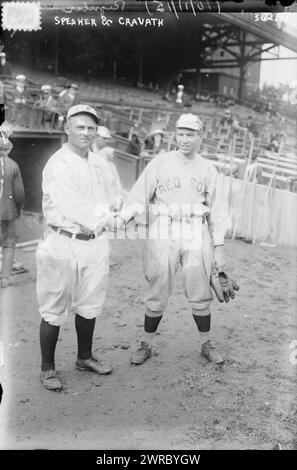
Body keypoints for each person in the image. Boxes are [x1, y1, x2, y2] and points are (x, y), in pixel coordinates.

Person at [120, 113, 230, 366]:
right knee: (158, 285)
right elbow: (139, 195)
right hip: (164, 227)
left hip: (195, 227)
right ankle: (146, 344)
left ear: (201, 136)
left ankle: (206, 343)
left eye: (190, 134)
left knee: (200, 286)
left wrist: (219, 248)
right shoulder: (160, 162)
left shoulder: (208, 169)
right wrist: (128, 216)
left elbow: (219, 210)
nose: (184, 139)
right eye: (181, 133)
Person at [36, 104, 121, 392]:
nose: (86, 132)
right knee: (54, 308)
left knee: (90, 303)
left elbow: (114, 197)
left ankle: (84, 358)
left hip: (94, 244)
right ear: (67, 129)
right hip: (63, 241)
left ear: (97, 131)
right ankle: (48, 368)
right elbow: (77, 211)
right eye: (80, 127)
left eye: (91, 128)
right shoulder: (58, 165)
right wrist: (114, 218)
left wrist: (121, 209)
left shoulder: (99, 163)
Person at [0, 123, 25, 288]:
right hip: (7, 211)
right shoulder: (13, 165)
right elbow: (20, 193)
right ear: (8, 149)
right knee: (8, 245)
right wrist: (18, 209)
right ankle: (5, 279)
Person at [91, 126, 125, 211]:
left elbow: (113, 180)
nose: (105, 141)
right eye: (103, 138)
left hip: (106, 198)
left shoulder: (105, 156)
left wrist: (119, 196)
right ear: (96, 137)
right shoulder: (90, 152)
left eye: (106, 139)